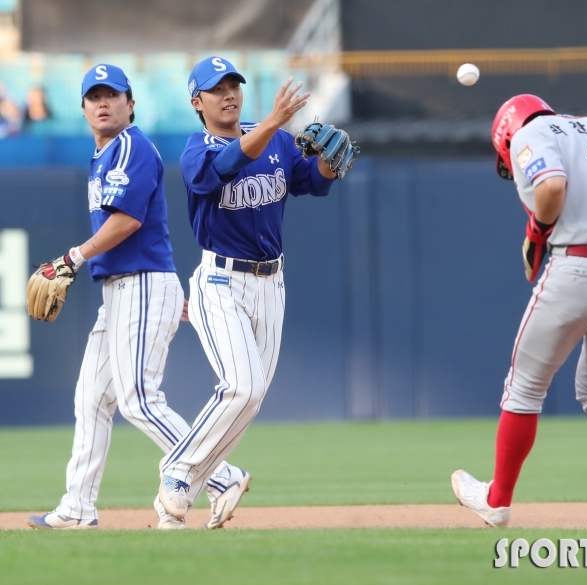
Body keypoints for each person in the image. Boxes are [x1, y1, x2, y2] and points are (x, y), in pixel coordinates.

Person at [26, 63, 249, 531]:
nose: (103, 103)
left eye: (112, 95)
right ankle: (78, 507)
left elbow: (127, 221)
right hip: (124, 290)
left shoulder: (132, 145)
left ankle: (220, 475)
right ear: (84, 108)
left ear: (131, 103)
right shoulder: (104, 154)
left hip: (142, 282)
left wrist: (72, 257)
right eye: (94, 97)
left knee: (139, 401)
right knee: (91, 400)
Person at [451, 94, 587, 528]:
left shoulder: (528, 134)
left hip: (576, 266)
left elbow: (551, 187)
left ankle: (497, 500)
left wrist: (537, 231)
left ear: (505, 135)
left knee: (524, 389)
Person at [156, 56, 348, 521]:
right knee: (241, 386)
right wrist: (273, 122)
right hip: (220, 280)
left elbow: (312, 184)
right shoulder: (195, 151)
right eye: (216, 88)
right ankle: (177, 472)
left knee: (251, 396)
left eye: (234, 85)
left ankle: (176, 506)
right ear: (196, 101)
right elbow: (222, 166)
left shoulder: (277, 140)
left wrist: (328, 163)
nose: (229, 94)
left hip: (271, 282)